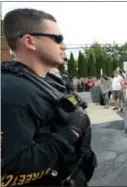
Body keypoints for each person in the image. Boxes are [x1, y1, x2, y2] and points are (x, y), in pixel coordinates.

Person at [1, 8, 96, 186]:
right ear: (30, 41)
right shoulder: (10, 93)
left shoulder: (48, 80)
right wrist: (71, 133)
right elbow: (14, 165)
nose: (64, 45)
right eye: (57, 38)